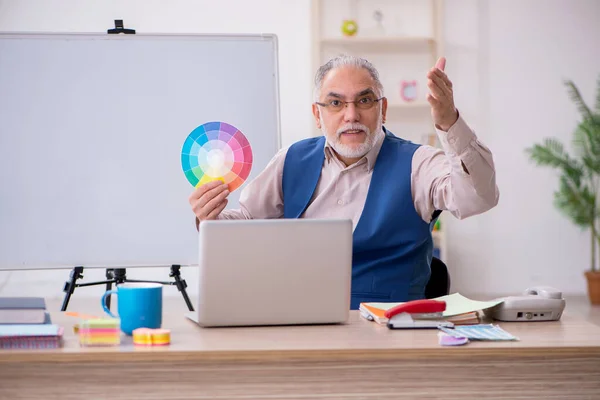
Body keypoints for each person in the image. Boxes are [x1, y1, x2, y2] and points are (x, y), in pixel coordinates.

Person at [189, 55, 499, 309]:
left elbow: (477, 197)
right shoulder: (290, 160)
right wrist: (210, 218)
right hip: (299, 323)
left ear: (383, 109)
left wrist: (449, 122)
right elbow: (246, 222)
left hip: (392, 333)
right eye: (336, 103)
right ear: (317, 114)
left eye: (364, 101)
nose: (351, 115)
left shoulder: (417, 163)